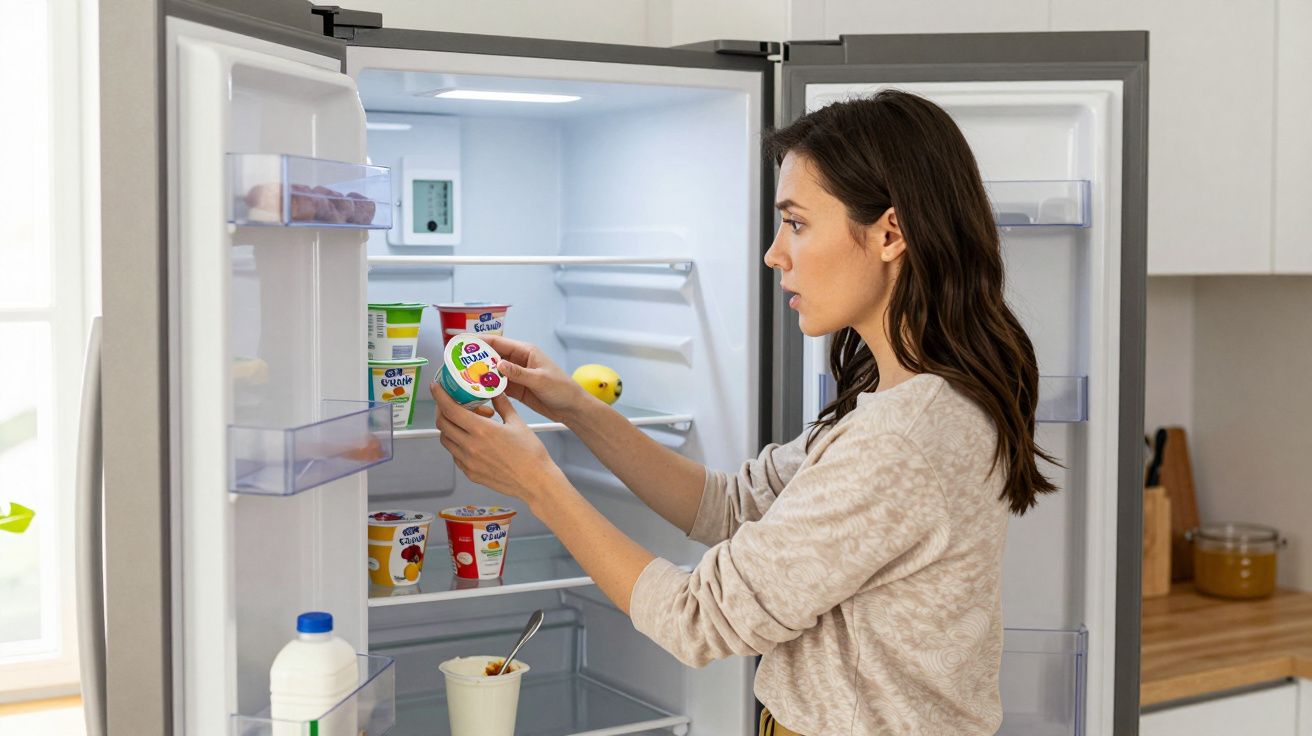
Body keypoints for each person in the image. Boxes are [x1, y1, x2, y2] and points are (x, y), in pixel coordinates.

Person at [428, 89, 1057, 735]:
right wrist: (578, 410)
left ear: (890, 232)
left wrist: (537, 483)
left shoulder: (901, 439)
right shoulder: (921, 401)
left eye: (798, 223)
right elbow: (732, 507)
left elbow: (695, 618)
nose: (775, 253)